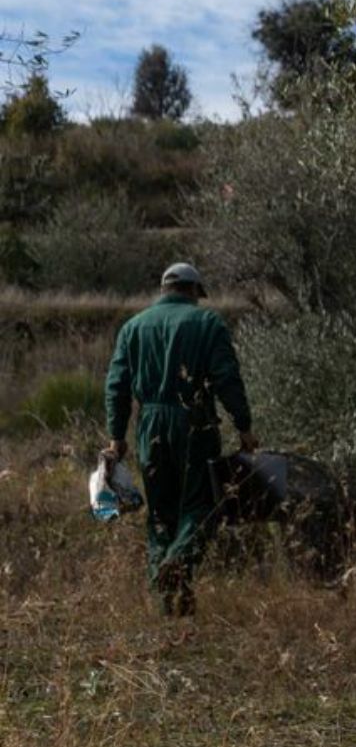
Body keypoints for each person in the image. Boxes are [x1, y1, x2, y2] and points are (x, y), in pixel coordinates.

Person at [104, 263, 258, 616]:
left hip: (150, 425)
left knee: (160, 513)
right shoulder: (208, 323)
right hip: (195, 422)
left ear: (165, 289)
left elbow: (116, 387)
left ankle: (170, 604)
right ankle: (175, 561)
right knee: (201, 506)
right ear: (193, 291)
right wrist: (244, 425)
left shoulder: (133, 327)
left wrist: (117, 436)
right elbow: (226, 379)